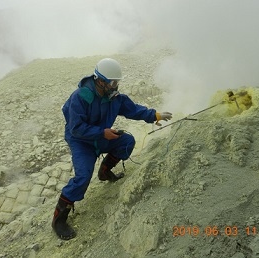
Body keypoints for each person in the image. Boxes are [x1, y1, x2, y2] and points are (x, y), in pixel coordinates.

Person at [52, 58, 172, 240]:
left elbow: (133, 110)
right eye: (113, 82)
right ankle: (59, 220)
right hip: (81, 142)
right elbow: (75, 128)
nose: (116, 85)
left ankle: (105, 172)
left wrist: (154, 115)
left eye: (117, 82)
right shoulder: (80, 97)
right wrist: (102, 132)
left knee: (127, 141)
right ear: (100, 81)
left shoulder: (114, 97)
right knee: (83, 177)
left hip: (102, 136)